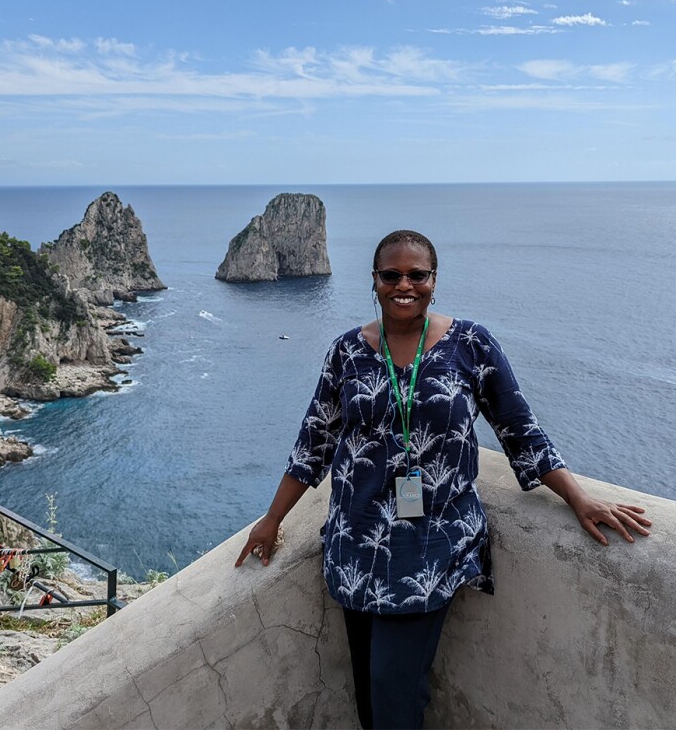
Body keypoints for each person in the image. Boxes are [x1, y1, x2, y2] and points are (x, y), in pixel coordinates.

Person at [234, 229, 651, 730]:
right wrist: (272, 518)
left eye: (417, 274)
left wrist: (578, 498)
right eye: (392, 275)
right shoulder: (347, 351)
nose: (404, 285)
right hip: (355, 542)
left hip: (431, 546)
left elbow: (520, 429)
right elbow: (313, 443)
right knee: (370, 689)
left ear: (434, 280)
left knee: (394, 687)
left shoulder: (471, 344)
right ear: (375, 281)